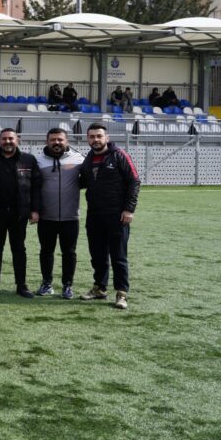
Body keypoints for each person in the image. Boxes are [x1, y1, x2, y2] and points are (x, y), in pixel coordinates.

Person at [78, 123, 140, 309]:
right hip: (94, 214)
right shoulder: (88, 159)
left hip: (117, 215)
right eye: (92, 137)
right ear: (87, 139)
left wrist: (129, 209)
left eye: (99, 136)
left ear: (107, 138)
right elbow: (83, 182)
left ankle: (121, 293)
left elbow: (134, 182)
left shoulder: (120, 155)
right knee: (97, 255)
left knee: (118, 256)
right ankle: (100, 288)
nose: (95, 140)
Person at [0, 128, 41, 298]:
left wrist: (35, 210)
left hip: (20, 213)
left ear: (17, 140)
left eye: (10, 138)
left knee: (19, 249)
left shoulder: (29, 160)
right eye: (4, 139)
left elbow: (36, 187)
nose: (7, 142)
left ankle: (21, 285)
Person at [35, 127, 84, 299]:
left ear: (67, 141)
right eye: (53, 140)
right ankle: (47, 283)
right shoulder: (38, 160)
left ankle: (67, 285)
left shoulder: (79, 159)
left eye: (60, 140)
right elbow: (33, 188)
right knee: (46, 251)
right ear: (47, 141)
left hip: (70, 217)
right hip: (46, 216)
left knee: (69, 252)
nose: (57, 143)